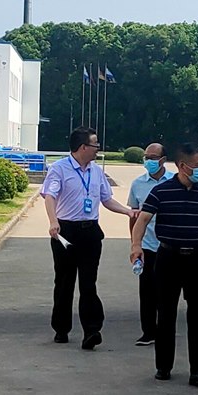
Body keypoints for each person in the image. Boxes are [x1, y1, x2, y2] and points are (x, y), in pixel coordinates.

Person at [130, 143, 198, 388]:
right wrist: (136, 246)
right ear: (182, 165)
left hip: (197, 259)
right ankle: (163, 366)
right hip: (168, 258)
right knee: (166, 313)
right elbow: (142, 219)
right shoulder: (162, 191)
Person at [41, 126, 137, 350]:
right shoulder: (59, 169)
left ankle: (92, 331)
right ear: (83, 147)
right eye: (95, 145)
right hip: (66, 231)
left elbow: (106, 199)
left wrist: (127, 212)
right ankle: (61, 328)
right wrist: (53, 221)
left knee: (88, 282)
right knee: (64, 282)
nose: (98, 149)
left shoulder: (96, 171)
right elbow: (50, 196)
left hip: (90, 232)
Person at [127, 142, 174, 347]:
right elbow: (134, 216)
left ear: (163, 160)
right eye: (146, 157)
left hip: (169, 245)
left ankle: (165, 330)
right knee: (147, 291)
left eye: (153, 158)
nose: (148, 161)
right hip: (147, 245)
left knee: (167, 292)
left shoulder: (174, 181)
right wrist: (134, 244)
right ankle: (148, 332)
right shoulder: (138, 184)